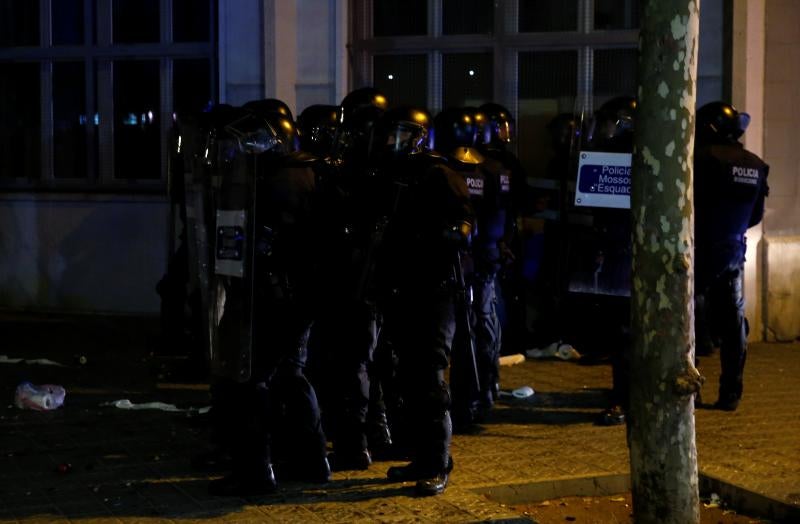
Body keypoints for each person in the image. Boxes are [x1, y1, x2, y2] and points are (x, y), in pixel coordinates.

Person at [206, 105, 330, 496]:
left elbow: (269, 242)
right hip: (296, 296)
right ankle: (312, 461)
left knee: (251, 382)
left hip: (277, 296)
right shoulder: (302, 172)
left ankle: (255, 472)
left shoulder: (283, 178)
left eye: (253, 139)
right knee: (291, 377)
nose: (246, 148)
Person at [373, 106, 475, 496]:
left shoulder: (440, 173)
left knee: (430, 380)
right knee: (408, 379)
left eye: (401, 134)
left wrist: (438, 236)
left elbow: (464, 224)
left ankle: (438, 462)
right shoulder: (394, 172)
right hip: (401, 288)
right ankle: (421, 455)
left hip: (434, 290)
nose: (392, 142)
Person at [694, 101, 769, 411]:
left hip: (697, 250)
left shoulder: (699, 158)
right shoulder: (755, 164)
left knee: (687, 322)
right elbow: (755, 216)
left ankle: (688, 391)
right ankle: (731, 393)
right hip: (733, 252)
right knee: (733, 323)